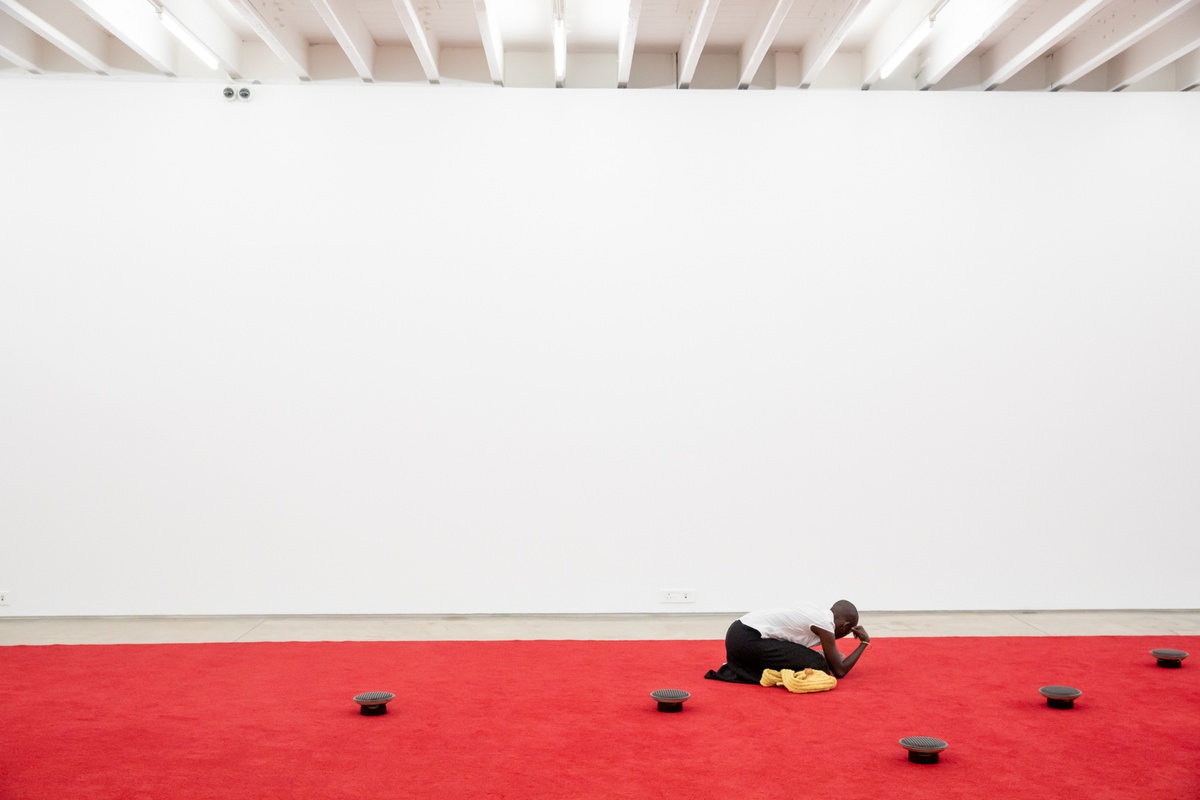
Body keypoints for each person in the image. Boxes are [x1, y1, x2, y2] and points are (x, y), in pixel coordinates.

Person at [704, 599, 870, 684]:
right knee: (819, 664)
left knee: (818, 659)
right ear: (845, 626)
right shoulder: (824, 625)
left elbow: (830, 640)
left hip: (738, 633)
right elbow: (840, 671)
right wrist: (864, 643)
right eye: (848, 631)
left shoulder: (817, 614)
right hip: (746, 640)